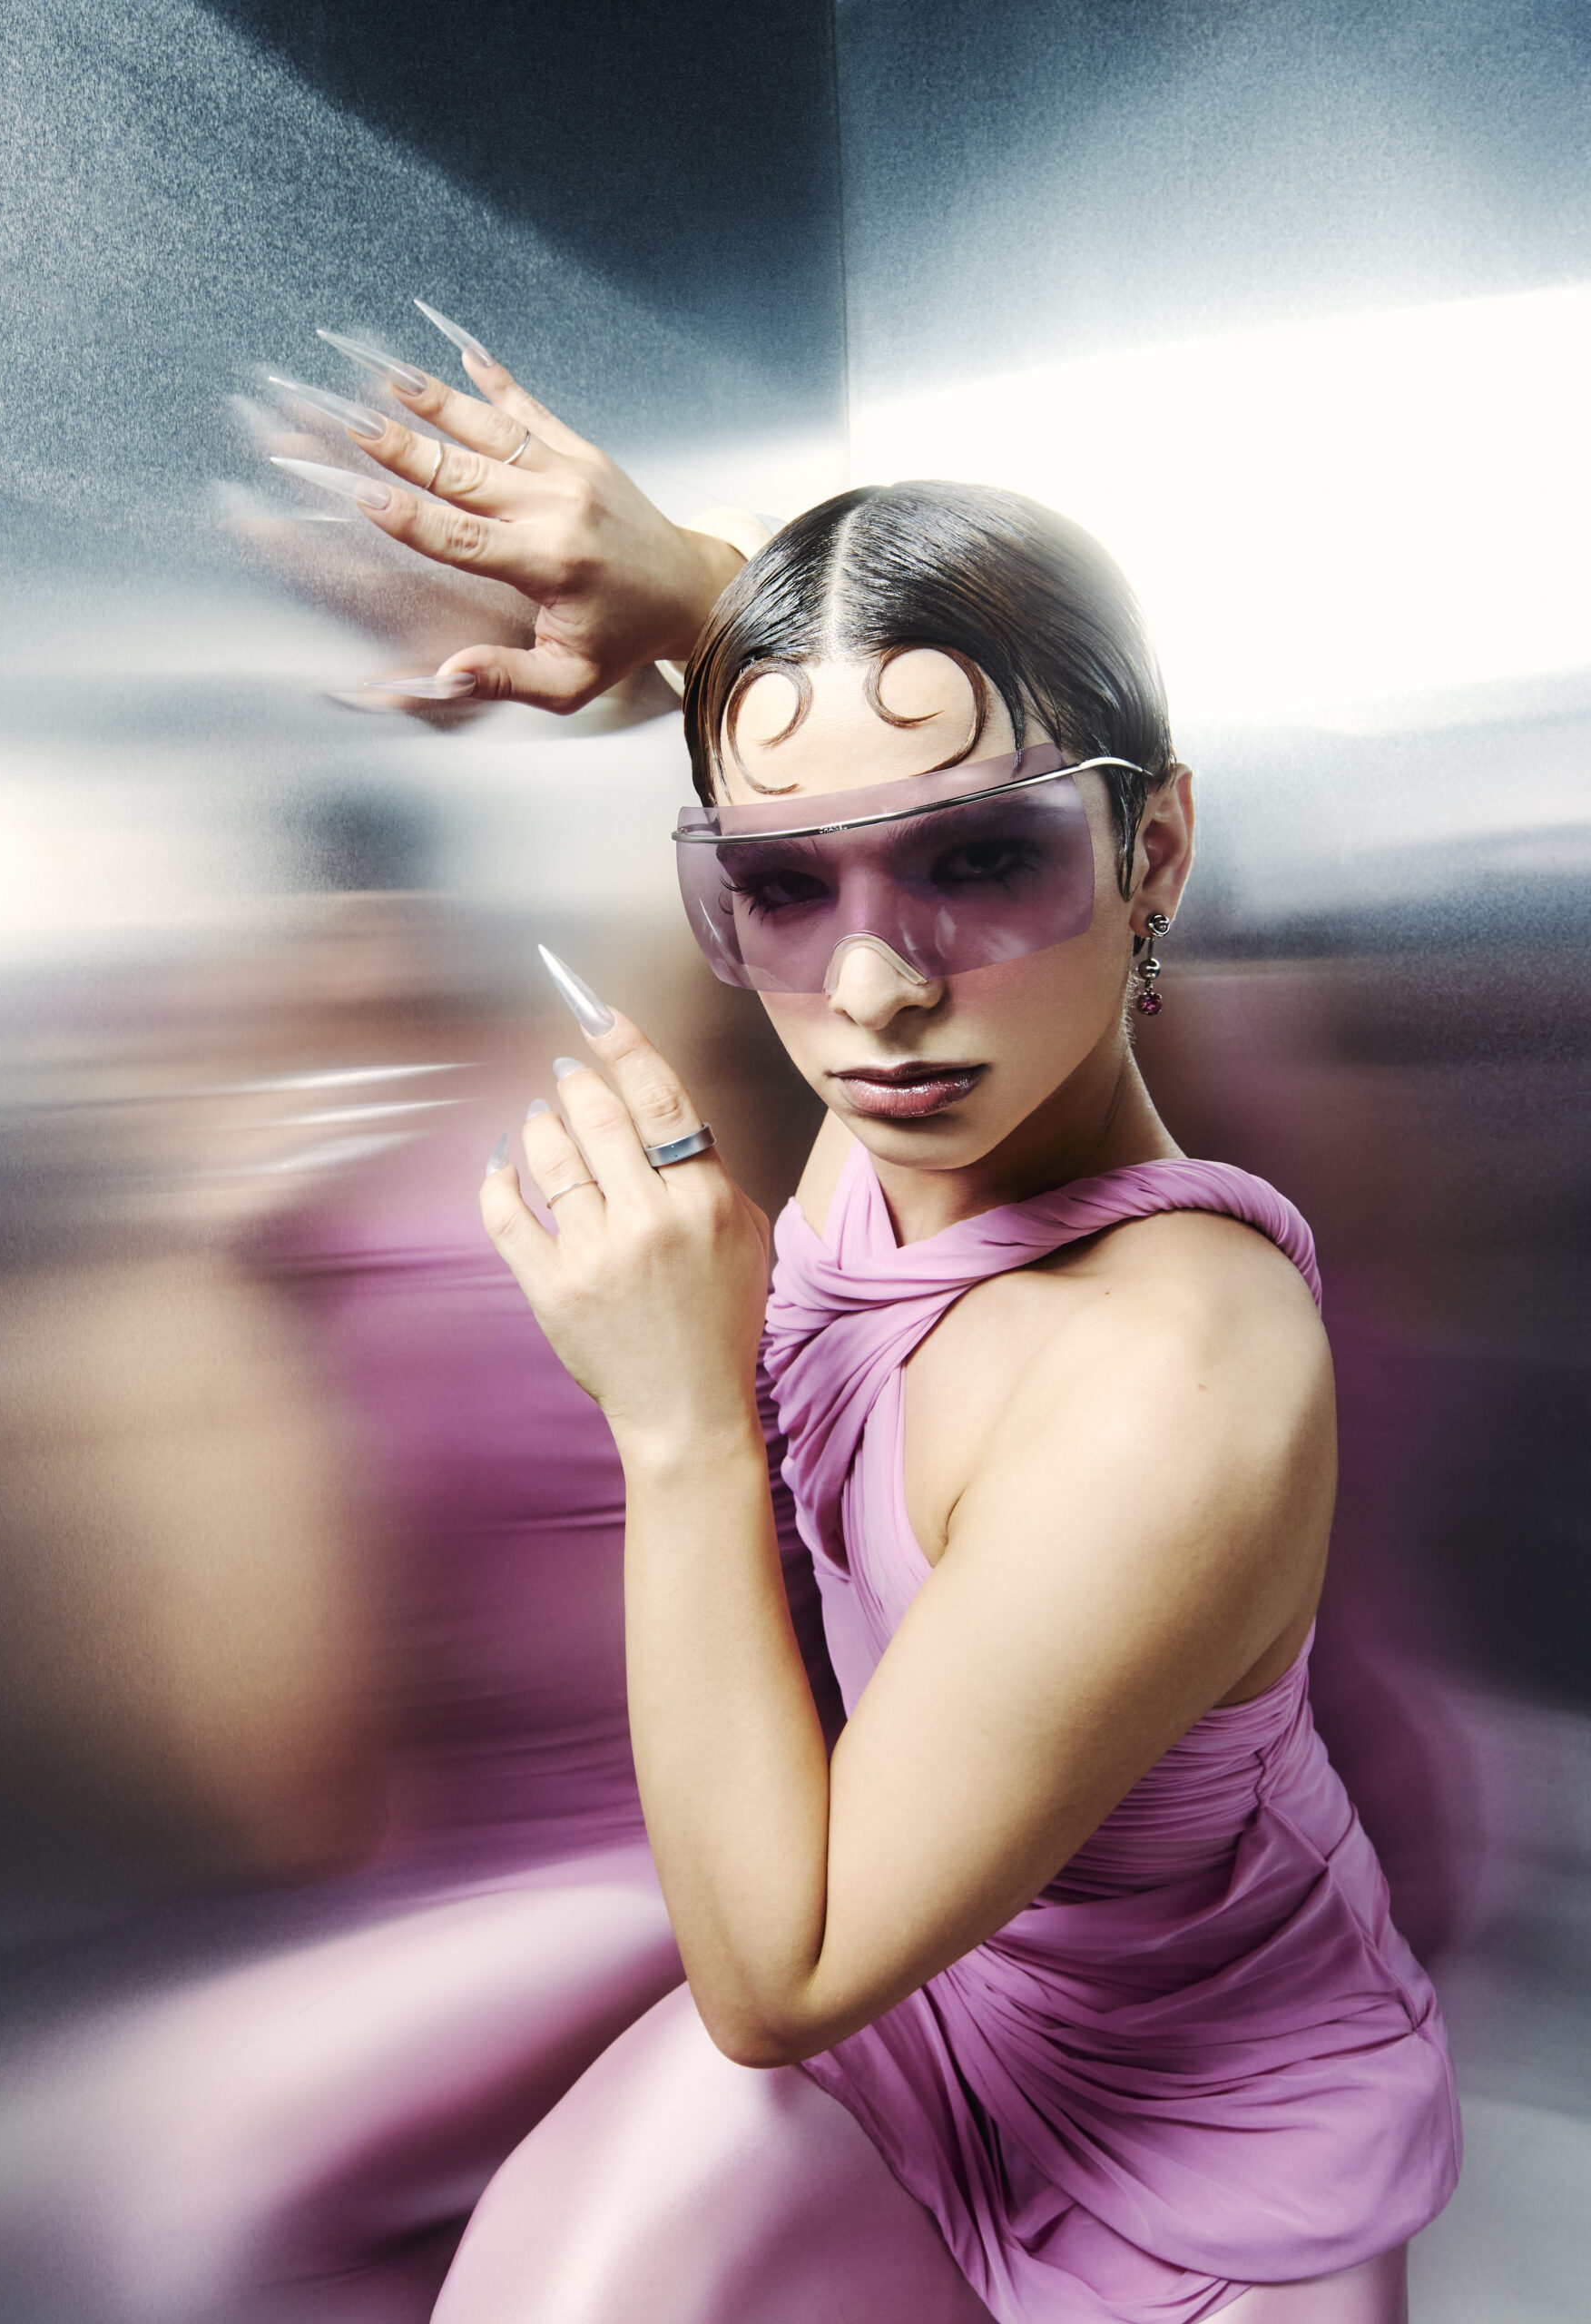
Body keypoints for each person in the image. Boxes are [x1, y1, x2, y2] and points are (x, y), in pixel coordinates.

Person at [257, 320, 1459, 2323]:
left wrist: (675, 1420)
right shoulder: (910, 1050)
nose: (875, 984)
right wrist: (683, 588)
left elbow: (780, 1975)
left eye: (980, 861)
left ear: (1150, 850)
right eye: (779, 884)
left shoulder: (1173, 1373)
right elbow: (883, 751)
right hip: (942, 1984)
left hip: (1204, 2137)